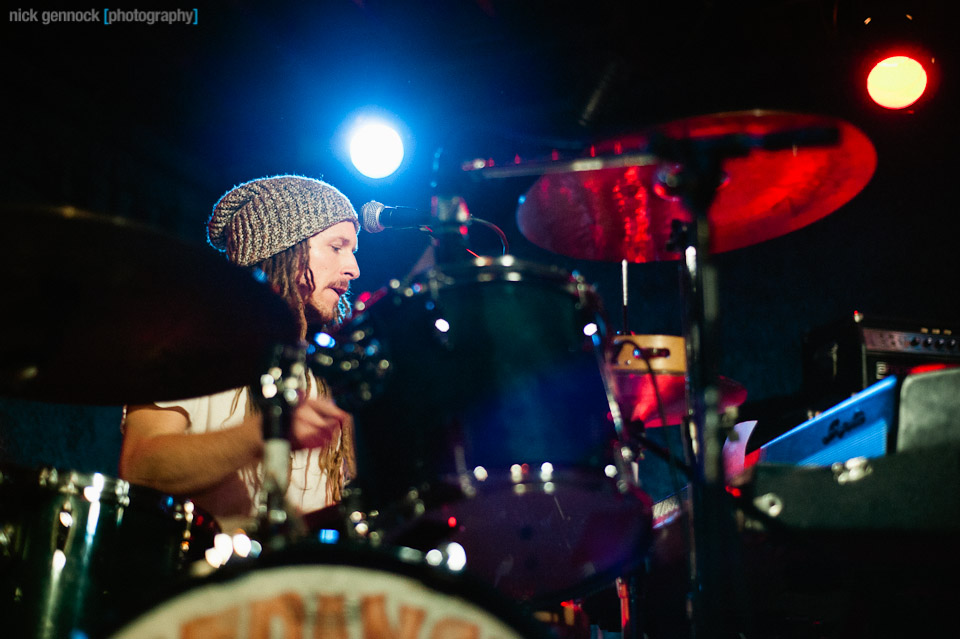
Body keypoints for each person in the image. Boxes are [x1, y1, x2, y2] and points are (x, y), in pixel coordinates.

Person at [119, 175, 360, 532]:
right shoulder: (193, 345)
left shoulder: (328, 376)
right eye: (337, 247)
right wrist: (264, 434)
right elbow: (140, 466)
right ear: (284, 249)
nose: (353, 269)